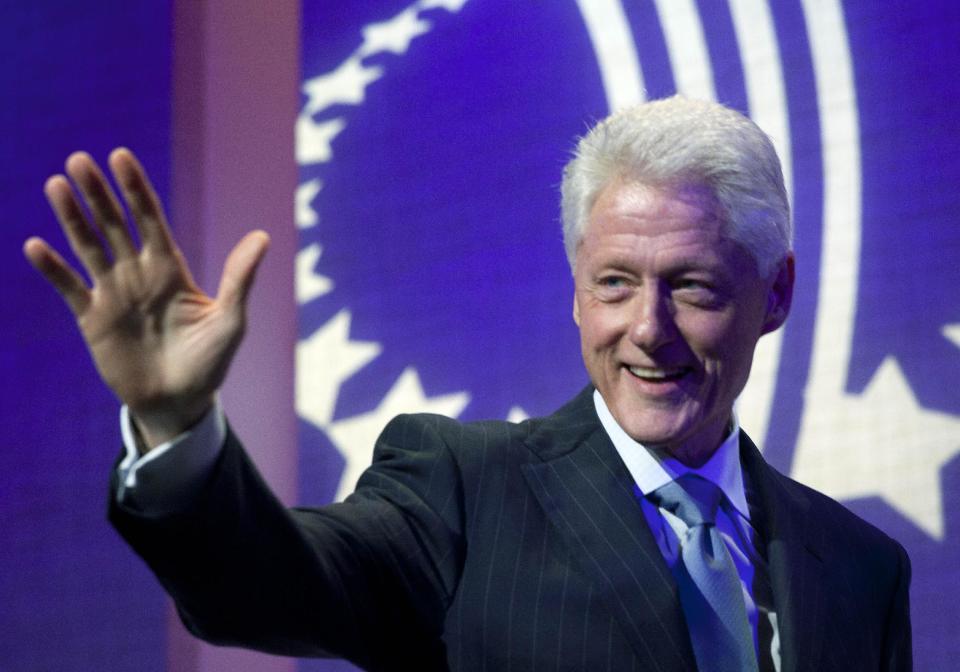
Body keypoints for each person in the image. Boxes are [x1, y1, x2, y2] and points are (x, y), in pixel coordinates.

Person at [24, 96, 911, 671]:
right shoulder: (461, 487)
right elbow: (264, 586)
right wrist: (175, 424)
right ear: (575, 292)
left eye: (693, 286)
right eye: (613, 283)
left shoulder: (863, 570)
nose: (648, 328)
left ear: (776, 293)